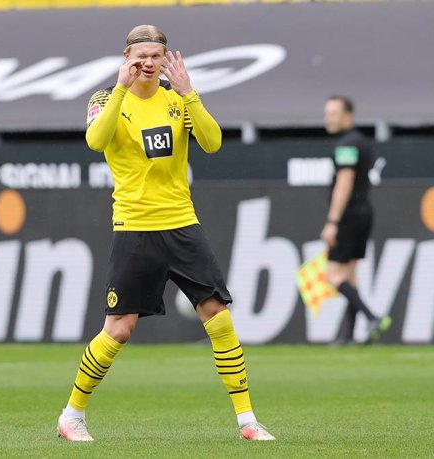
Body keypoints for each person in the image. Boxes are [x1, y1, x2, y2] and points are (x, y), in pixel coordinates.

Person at [56, 24, 275, 442]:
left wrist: (190, 93)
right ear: (126, 59)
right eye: (140, 56)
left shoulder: (178, 99)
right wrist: (120, 90)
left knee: (218, 315)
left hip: (181, 223)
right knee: (119, 329)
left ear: (165, 59)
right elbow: (95, 141)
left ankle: (247, 421)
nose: (148, 63)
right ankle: (72, 415)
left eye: (156, 56)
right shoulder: (105, 99)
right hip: (135, 227)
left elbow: (212, 144)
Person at [320, 96, 391, 345]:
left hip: (348, 216)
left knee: (333, 275)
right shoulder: (361, 142)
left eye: (334, 113)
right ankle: (349, 335)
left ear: (348, 115)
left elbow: (345, 182)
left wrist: (332, 221)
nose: (328, 118)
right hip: (364, 213)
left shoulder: (347, 144)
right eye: (327, 113)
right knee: (349, 276)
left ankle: (372, 317)